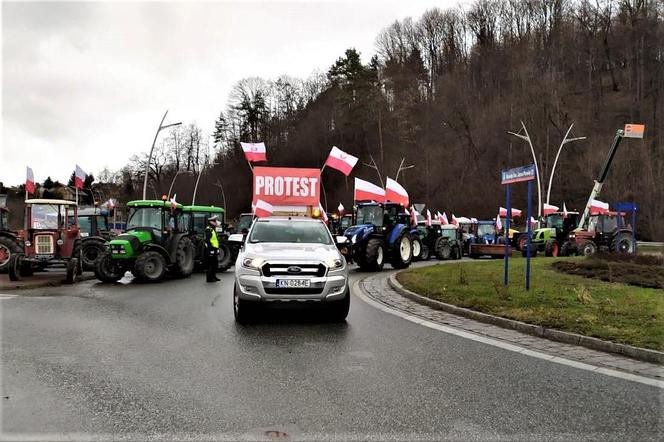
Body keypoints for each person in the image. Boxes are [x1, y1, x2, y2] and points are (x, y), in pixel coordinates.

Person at [205, 216, 221, 282]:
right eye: (214, 221)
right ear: (211, 222)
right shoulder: (209, 229)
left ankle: (214, 276)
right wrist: (211, 250)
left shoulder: (213, 229)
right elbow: (208, 241)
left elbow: (215, 240)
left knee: (215, 264)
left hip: (214, 249)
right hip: (210, 249)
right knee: (211, 265)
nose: (216, 222)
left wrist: (217, 249)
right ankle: (209, 278)